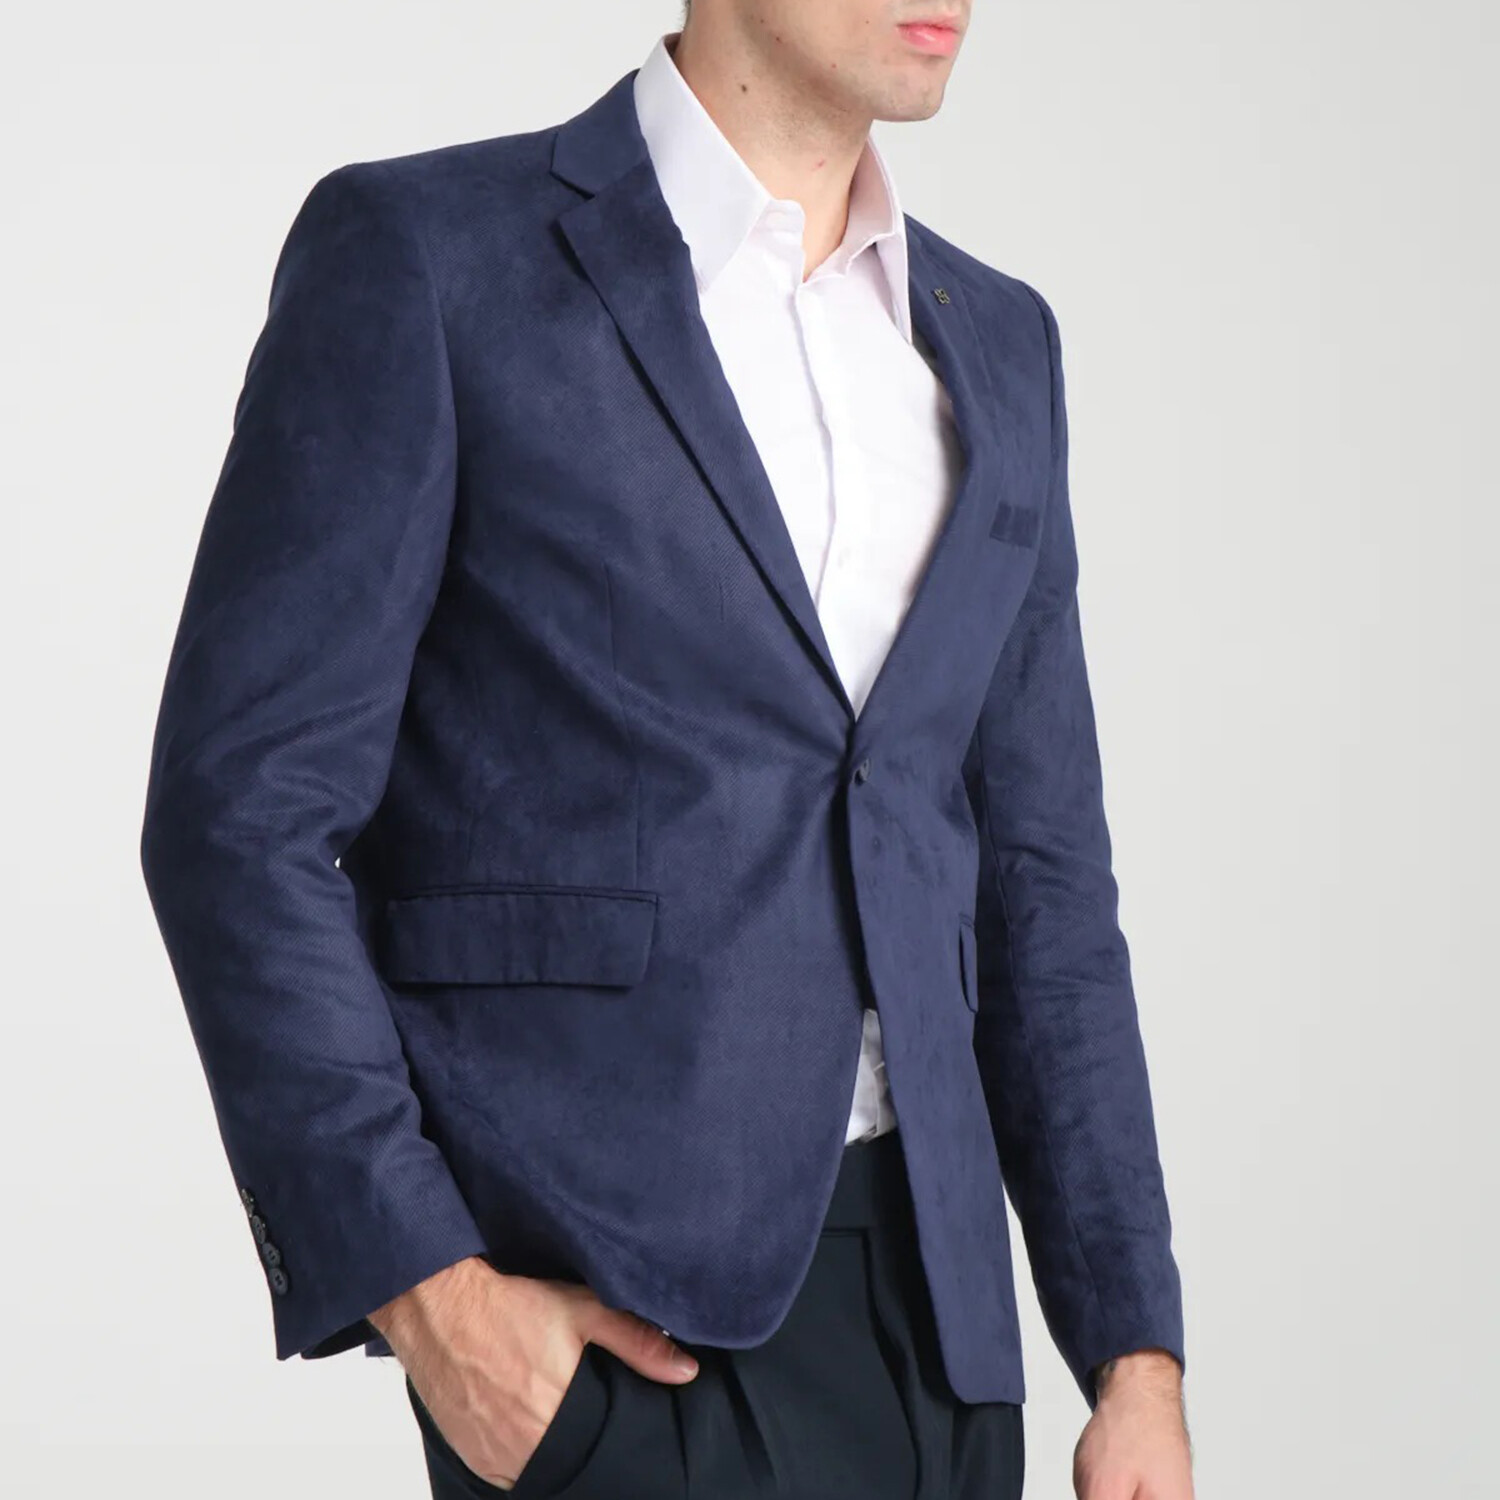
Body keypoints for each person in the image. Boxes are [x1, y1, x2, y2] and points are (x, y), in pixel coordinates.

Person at [139, 4, 1193, 1496]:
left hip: (946, 1335)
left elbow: (1044, 887)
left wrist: (1133, 1355)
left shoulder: (999, 341)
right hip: (612, 1332)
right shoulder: (432, 259)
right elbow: (238, 815)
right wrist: (431, 1299)